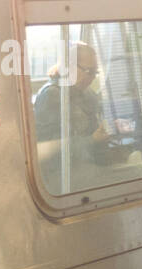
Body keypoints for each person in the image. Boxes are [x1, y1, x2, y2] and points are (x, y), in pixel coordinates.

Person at [32, 42, 109, 193]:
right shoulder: (52, 97)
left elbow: (95, 131)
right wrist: (92, 140)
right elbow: (49, 152)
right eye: (88, 71)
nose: (92, 78)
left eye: (95, 72)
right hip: (61, 176)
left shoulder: (88, 95)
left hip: (89, 166)